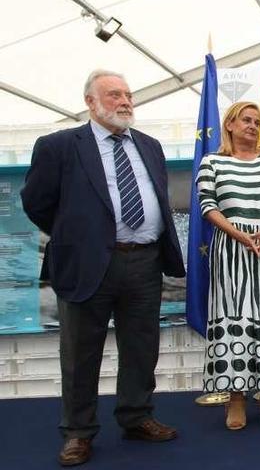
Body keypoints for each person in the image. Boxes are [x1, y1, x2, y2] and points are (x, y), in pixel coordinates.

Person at [21, 70, 186, 466]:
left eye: (128, 94)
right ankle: (78, 432)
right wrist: (77, 237)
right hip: (87, 264)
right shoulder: (59, 145)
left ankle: (136, 416)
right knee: (80, 353)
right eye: (114, 95)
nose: (125, 101)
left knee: (142, 347)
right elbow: (37, 202)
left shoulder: (149, 145)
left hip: (144, 262)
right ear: (90, 102)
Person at [197, 101, 260, 429]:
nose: (253, 126)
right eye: (246, 120)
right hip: (231, 246)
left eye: (257, 121)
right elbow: (208, 205)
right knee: (233, 318)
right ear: (230, 125)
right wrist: (239, 234)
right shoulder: (212, 162)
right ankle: (235, 399)